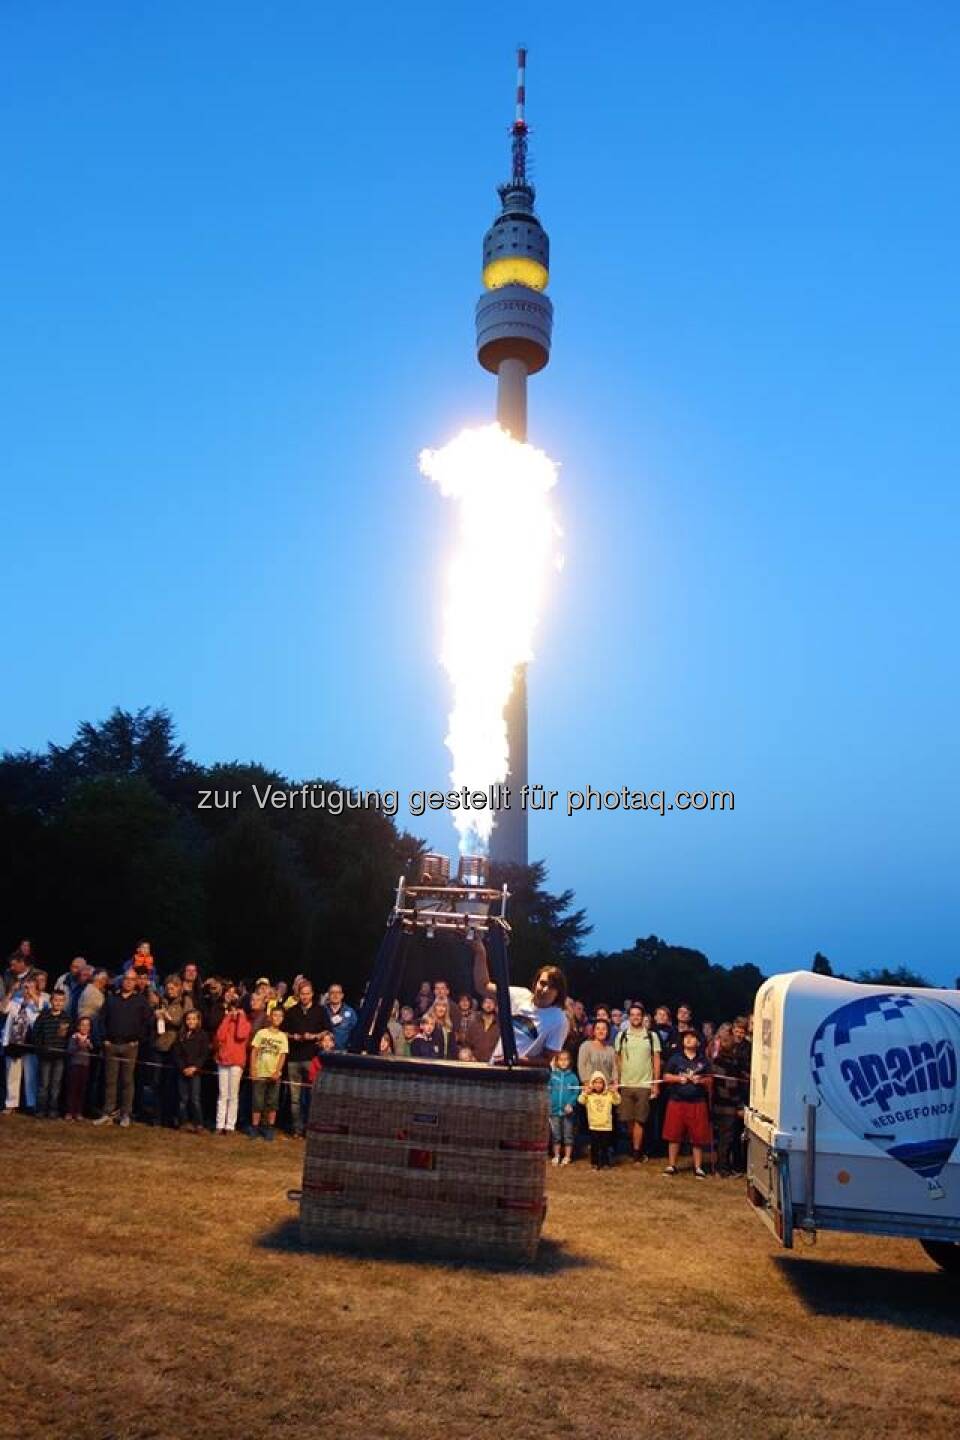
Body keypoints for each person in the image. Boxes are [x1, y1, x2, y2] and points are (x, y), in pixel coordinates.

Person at [471, 938, 568, 1065]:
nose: (545, 989)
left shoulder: (558, 1020)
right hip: (496, 1068)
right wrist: (480, 952)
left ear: (558, 992)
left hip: (523, 1079)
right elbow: (483, 986)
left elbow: (547, 1059)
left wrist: (515, 1060)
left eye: (552, 986)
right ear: (535, 983)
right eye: (543, 983)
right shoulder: (519, 995)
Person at [93, 970, 153, 1128]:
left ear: (135, 982)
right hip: (111, 1045)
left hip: (130, 1046)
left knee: (127, 1081)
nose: (128, 982)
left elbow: (148, 1023)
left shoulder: (141, 1001)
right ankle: (108, 1113)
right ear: (122, 980)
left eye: (132, 979)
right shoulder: (112, 999)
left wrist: (138, 1040)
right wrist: (104, 1039)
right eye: (126, 979)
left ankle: (125, 1114)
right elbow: (101, 1020)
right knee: (110, 1081)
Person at [661, 1029, 712, 1178]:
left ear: (698, 1042)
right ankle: (671, 1165)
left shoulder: (703, 1061)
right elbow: (665, 1076)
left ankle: (698, 1167)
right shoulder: (675, 1059)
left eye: (692, 1037)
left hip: (697, 1102)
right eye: (686, 1038)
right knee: (674, 1134)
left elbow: (710, 1080)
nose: (689, 1040)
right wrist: (678, 1079)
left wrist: (700, 1081)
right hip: (677, 1101)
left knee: (697, 1137)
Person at [615, 1003, 662, 1162]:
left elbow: (656, 1060)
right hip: (626, 1083)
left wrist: (655, 1083)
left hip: (644, 1083)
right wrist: (617, 1081)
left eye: (638, 1015)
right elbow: (618, 1060)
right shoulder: (622, 1036)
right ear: (629, 1017)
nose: (635, 1017)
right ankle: (633, 1145)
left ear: (643, 1017)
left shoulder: (651, 1036)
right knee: (628, 1119)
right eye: (632, 1014)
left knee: (640, 1120)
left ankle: (636, 1152)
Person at [282, 980, 325, 1136]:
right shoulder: (292, 1011)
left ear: (312, 994)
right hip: (294, 1059)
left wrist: (314, 1036)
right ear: (298, 994)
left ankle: (311, 1128)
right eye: (302, 993)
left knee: (313, 1096)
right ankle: (297, 1129)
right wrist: (293, 1036)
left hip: (311, 1059)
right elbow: (283, 1032)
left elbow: (327, 1031)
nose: (305, 996)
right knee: (295, 1098)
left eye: (307, 993)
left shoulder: (320, 1011)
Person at [213, 984, 251, 1135]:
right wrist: (228, 1017)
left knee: (233, 1095)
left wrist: (240, 1017)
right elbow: (220, 1035)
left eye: (237, 1008)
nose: (235, 1010)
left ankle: (230, 1125)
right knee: (223, 1094)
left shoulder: (245, 1023)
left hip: (236, 1061)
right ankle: (219, 1124)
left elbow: (241, 1035)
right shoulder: (227, 1020)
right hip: (224, 1060)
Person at [711, 1024, 748, 1176]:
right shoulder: (727, 1063)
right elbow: (730, 1088)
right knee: (726, 1139)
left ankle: (723, 1166)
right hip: (727, 1107)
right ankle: (723, 1169)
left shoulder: (717, 1061)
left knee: (723, 1139)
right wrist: (739, 1106)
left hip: (719, 1105)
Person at [248, 1004, 288, 1141]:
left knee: (272, 1103)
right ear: (271, 1017)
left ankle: (269, 1128)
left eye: (280, 1016)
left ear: (283, 1019)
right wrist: (253, 1068)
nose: (277, 1018)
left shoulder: (283, 1036)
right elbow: (254, 1051)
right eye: (275, 1015)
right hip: (260, 1072)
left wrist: (277, 1071)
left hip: (274, 1075)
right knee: (257, 1102)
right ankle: (255, 1127)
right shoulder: (261, 1033)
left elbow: (282, 1055)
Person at [2, 977, 43, 1113]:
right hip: (13, 1043)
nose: (26, 990)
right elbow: (3, 1008)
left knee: (31, 1075)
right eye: (25, 987)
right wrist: (11, 991)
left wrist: (32, 995)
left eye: (30, 987)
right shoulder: (15, 1001)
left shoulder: (40, 1001)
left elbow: (40, 1008)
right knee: (12, 1074)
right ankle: (11, 1104)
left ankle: (31, 1104)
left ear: (36, 988)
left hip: (29, 1043)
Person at [151, 975, 186, 1126]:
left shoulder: (184, 1002)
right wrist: (155, 1016)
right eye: (168, 987)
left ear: (179, 988)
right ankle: (157, 1116)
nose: (170, 990)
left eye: (174, 987)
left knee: (172, 1085)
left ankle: (171, 1116)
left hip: (175, 1048)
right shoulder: (159, 1001)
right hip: (159, 1046)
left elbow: (185, 1023)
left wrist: (169, 1019)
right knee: (157, 1083)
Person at [33, 988, 72, 1118]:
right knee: (44, 1084)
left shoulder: (67, 1018)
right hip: (45, 1056)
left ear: (64, 1002)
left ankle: (53, 1110)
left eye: (61, 1001)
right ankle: (41, 1110)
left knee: (56, 1085)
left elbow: (69, 1038)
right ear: (51, 1001)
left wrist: (65, 1050)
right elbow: (35, 1034)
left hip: (59, 1057)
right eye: (56, 1000)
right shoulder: (43, 1016)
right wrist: (41, 1048)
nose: (58, 1003)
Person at [173, 1008, 210, 1133]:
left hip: (195, 1072)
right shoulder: (181, 1035)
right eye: (189, 1019)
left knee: (195, 1099)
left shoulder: (202, 1035)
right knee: (183, 1099)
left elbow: (204, 1054)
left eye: (194, 1019)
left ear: (198, 1020)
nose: (191, 1021)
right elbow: (176, 1053)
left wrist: (195, 1067)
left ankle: (198, 1123)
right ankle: (183, 1122)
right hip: (182, 1071)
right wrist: (183, 1068)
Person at [578, 1071, 621, 1170]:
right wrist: (585, 1093)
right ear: (592, 1084)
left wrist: (615, 1092)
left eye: (600, 1082)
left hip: (606, 1126)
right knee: (595, 1147)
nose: (598, 1085)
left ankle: (605, 1163)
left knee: (605, 1146)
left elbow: (617, 1101)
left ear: (604, 1084)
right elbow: (580, 1101)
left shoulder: (609, 1095)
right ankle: (595, 1163)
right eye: (595, 1082)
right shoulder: (589, 1095)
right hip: (594, 1126)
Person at [548, 1050, 580, 1165]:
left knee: (568, 1134)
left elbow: (576, 1092)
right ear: (556, 1061)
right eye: (561, 1059)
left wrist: (571, 1104)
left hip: (568, 1112)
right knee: (556, 1135)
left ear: (570, 1061)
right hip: (554, 1111)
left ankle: (567, 1156)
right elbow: (548, 1091)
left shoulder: (573, 1077)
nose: (563, 1062)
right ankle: (556, 1155)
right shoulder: (552, 1076)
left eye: (566, 1059)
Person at [64, 1017, 95, 1120]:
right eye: (83, 1025)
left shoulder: (90, 1037)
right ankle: (69, 1111)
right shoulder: (74, 1037)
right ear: (78, 1026)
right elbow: (70, 1050)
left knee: (82, 1089)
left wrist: (90, 1046)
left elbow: (93, 1050)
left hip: (85, 1066)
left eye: (87, 1025)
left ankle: (79, 1111)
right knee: (72, 1088)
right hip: (74, 1065)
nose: (85, 1027)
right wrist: (78, 1045)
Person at [576, 1017, 617, 1087]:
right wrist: (586, 1083)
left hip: (607, 1090)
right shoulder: (586, 1046)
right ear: (594, 1031)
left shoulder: (611, 1050)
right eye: (598, 1029)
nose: (601, 1031)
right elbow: (581, 1066)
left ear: (607, 1032)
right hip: (590, 1089)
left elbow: (614, 1069)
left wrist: (615, 1083)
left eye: (604, 1029)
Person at [465, 993, 500, 1063]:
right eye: (486, 1002)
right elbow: (467, 1044)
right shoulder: (474, 1023)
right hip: (475, 1063)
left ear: (495, 1006)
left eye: (491, 1003)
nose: (488, 1005)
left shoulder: (500, 1025)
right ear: (482, 1005)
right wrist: (470, 1057)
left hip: (494, 1064)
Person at [322, 983, 357, 1051]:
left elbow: (356, 1032)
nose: (335, 995)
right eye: (332, 992)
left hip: (343, 1052)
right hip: (325, 1052)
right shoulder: (322, 1011)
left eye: (338, 992)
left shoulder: (350, 1012)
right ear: (328, 995)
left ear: (342, 995)